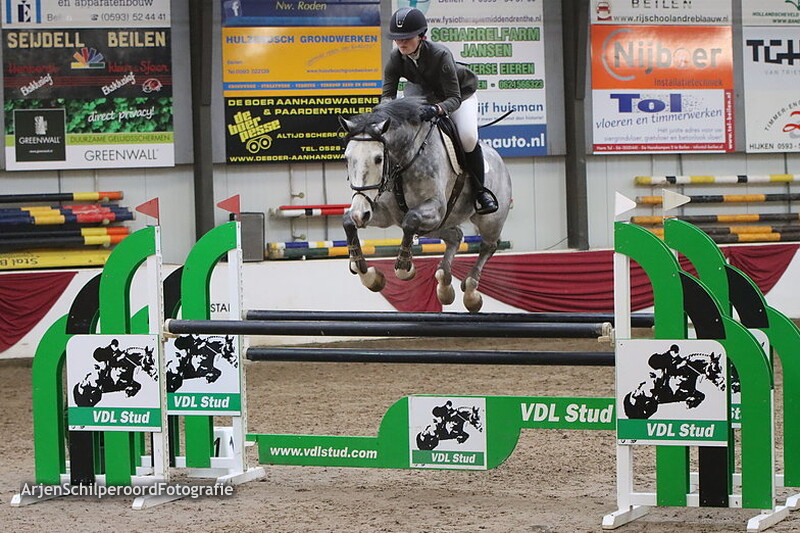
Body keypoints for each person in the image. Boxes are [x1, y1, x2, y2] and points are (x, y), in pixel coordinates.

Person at [382, 7, 498, 215]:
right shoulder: (395, 58)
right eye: (397, 38)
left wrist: (437, 109)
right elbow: (387, 95)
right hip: (423, 92)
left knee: (468, 137)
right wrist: (386, 116)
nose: (401, 43)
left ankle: (481, 191)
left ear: (421, 36)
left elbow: (453, 98)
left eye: (407, 38)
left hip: (459, 94)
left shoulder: (440, 54)